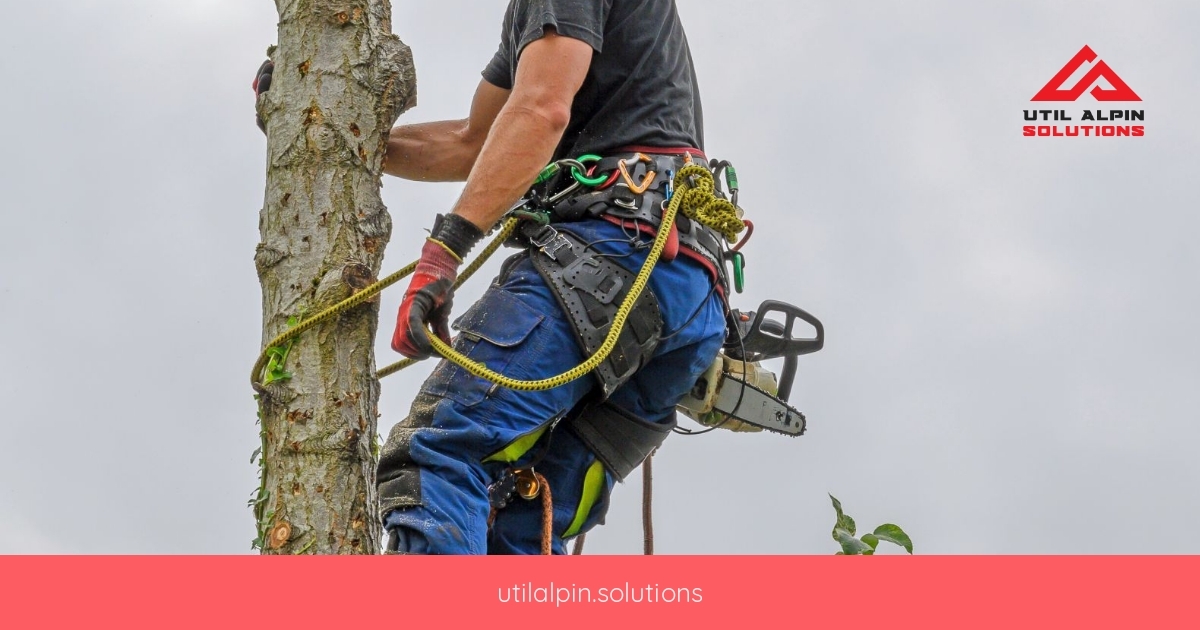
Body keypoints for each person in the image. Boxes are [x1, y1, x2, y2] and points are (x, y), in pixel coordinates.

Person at [258, 0, 734, 554]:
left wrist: (446, 249)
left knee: (439, 451)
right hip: (686, 292)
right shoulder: (543, 20)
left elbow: (541, 111)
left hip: (613, 258)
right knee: (519, 522)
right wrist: (326, 127)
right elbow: (472, 140)